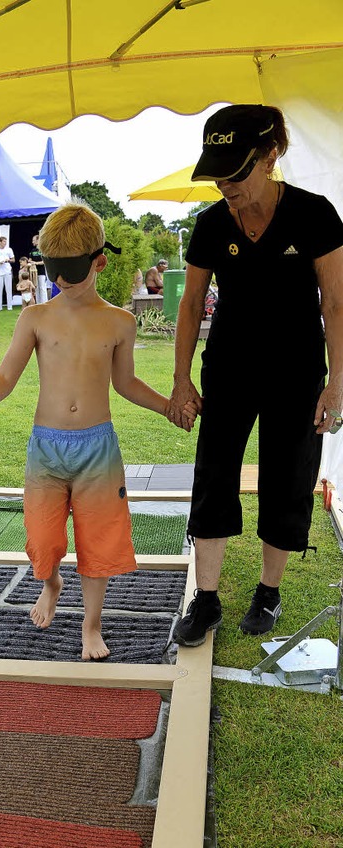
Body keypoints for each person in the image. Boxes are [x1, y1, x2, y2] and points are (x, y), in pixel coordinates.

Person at [0, 202, 196, 660]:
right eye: (54, 271)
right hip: (47, 448)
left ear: (99, 262)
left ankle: (91, 623)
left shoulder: (119, 321)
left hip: (97, 448)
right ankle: (51, 583)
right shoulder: (35, 318)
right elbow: (5, 378)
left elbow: (125, 384)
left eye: (72, 271)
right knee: (42, 538)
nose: (60, 280)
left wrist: (166, 407)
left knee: (99, 538)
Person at [168, 103, 343, 648]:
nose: (225, 184)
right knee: (214, 472)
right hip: (228, 367)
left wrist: (338, 382)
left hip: (297, 371)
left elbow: (336, 302)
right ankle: (208, 598)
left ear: (271, 156)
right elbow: (191, 302)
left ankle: (268, 590)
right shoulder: (211, 224)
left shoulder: (315, 214)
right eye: (218, 173)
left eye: (236, 172)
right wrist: (180, 379)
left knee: (288, 477)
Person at [0, 236, 15, 311]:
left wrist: (7, 260)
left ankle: (10, 306)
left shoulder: (9, 249)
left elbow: (13, 260)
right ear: (0, 242)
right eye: (4, 241)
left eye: (6, 241)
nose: (5, 243)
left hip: (7, 271)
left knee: (8, 290)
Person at [29, 233, 49, 304]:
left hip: (41, 271)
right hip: (34, 272)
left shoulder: (43, 250)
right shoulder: (32, 250)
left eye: (33, 240)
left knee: (42, 287)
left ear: (38, 240)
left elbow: (44, 261)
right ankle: (38, 303)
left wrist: (35, 263)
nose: (32, 242)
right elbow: (30, 259)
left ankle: (44, 302)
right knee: (36, 287)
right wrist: (30, 262)